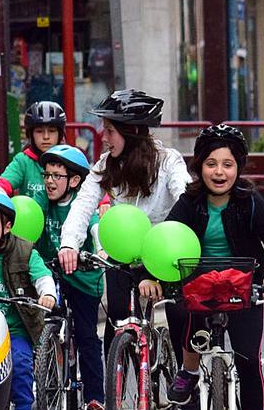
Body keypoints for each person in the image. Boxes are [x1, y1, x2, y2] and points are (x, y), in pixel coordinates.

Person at [150, 124, 264, 410]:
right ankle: (189, 370)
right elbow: (166, 240)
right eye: (211, 164)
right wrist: (149, 276)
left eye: (228, 164)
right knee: (179, 310)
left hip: (243, 289)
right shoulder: (190, 202)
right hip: (199, 287)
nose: (219, 172)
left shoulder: (249, 200)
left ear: (238, 168)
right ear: (199, 167)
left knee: (248, 361)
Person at [56, 90, 190, 347]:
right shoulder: (106, 165)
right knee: (116, 322)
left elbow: (186, 199)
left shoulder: (168, 161)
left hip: (165, 250)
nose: (103, 138)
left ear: (132, 132)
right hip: (123, 252)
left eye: (110, 131)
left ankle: (185, 379)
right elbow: (83, 205)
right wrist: (69, 244)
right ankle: (116, 382)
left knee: (180, 318)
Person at [34, 144, 108, 410]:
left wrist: (101, 251)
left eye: (57, 176)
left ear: (75, 181)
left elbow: (95, 229)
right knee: (47, 322)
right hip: (52, 273)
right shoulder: (42, 202)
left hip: (84, 280)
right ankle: (48, 371)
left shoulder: (81, 205)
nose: (50, 181)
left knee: (87, 335)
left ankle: (94, 400)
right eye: (47, 175)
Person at [0, 189, 57, 410]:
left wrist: (47, 294)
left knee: (21, 362)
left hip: (15, 327)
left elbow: (42, 275)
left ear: (7, 226)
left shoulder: (24, 251)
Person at [0, 100, 67, 200]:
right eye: (39, 131)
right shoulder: (23, 160)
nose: (46, 137)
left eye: (52, 131)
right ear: (30, 135)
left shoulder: (70, 160)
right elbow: (3, 183)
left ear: (60, 134)